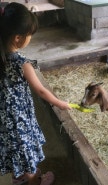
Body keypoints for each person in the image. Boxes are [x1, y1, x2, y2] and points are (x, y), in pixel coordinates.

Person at [0, 2, 71, 185]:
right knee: (25, 150)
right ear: (17, 38)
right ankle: (34, 180)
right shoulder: (22, 63)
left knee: (14, 149)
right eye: (29, 35)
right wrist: (59, 102)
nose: (30, 38)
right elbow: (40, 89)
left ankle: (18, 178)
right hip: (19, 119)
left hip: (4, 118)